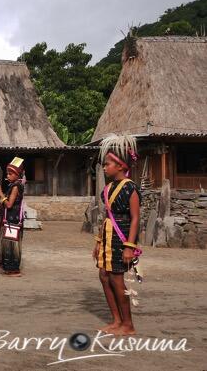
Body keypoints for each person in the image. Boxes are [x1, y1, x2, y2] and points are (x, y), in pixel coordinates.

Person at [93, 134, 142, 336]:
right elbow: (106, 215)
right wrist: (97, 242)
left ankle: (128, 324)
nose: (104, 168)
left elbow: (136, 218)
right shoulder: (108, 188)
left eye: (108, 164)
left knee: (117, 279)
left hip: (121, 238)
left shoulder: (130, 187)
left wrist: (130, 246)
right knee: (104, 276)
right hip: (106, 236)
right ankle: (116, 320)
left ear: (121, 165)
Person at [0, 157, 25, 276]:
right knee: (9, 244)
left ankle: (13, 269)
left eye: (11, 173)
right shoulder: (14, 185)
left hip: (12, 220)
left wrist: (1, 193)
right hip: (12, 219)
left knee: (11, 245)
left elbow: (9, 204)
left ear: (17, 174)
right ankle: (9, 268)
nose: (8, 175)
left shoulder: (16, 186)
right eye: (7, 173)